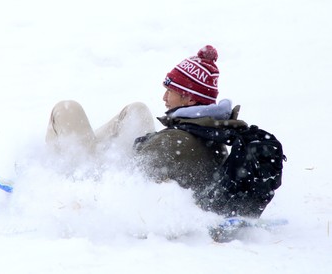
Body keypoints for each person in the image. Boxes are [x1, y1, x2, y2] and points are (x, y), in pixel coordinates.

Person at [45, 44, 247, 210]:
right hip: (136, 172)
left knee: (67, 109)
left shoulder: (175, 142)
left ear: (189, 99)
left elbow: (128, 181)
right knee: (137, 109)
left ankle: (49, 169)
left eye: (170, 91)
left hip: (100, 186)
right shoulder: (209, 133)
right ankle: (82, 148)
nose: (164, 98)